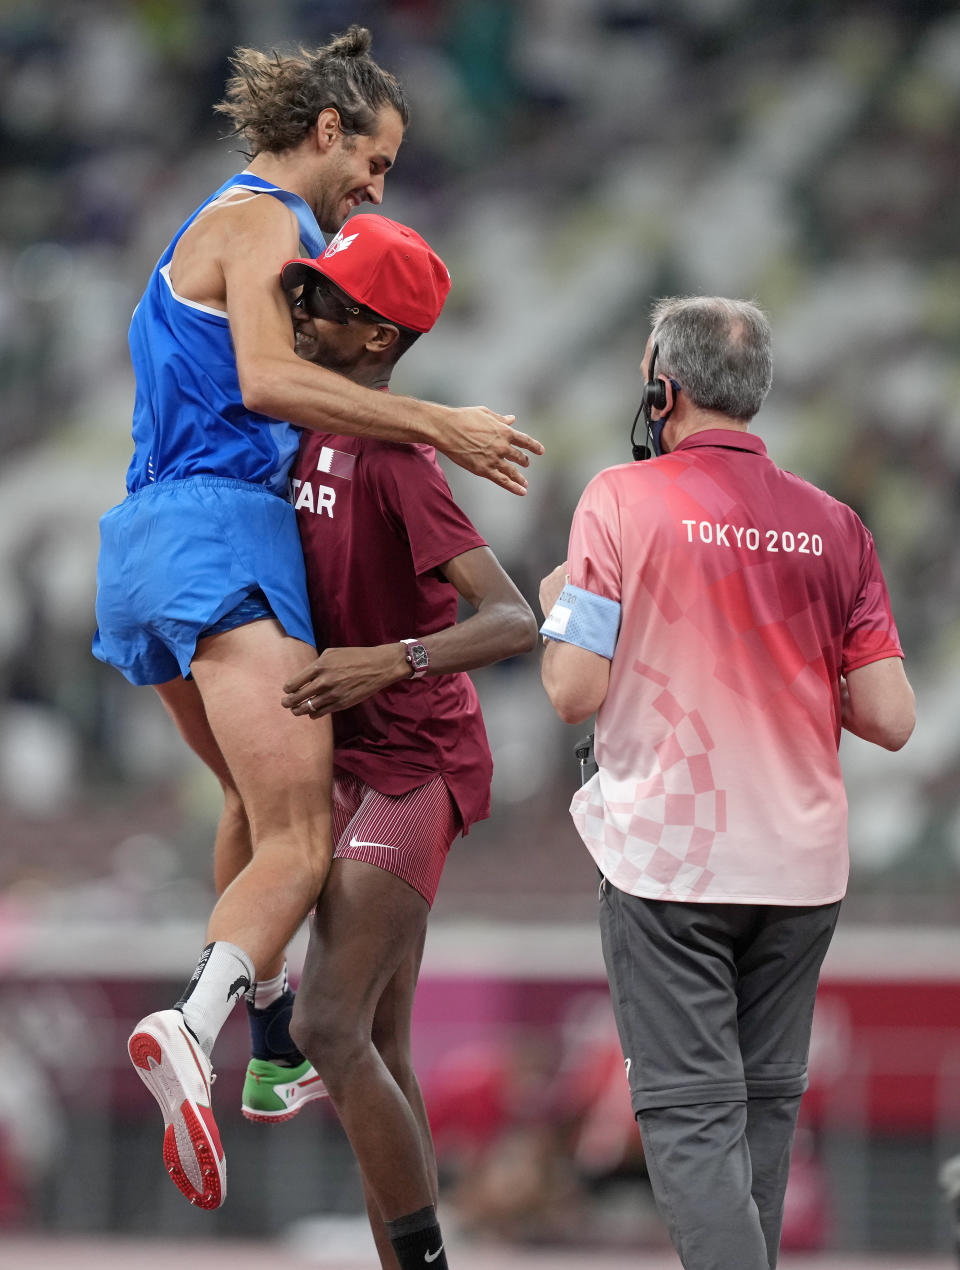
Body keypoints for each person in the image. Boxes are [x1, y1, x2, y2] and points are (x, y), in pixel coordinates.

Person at [92, 26, 541, 1212]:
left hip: (141, 543)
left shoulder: (217, 224)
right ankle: (195, 1028)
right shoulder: (271, 226)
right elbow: (267, 381)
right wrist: (440, 422)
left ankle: (275, 1035)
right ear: (330, 130)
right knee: (298, 835)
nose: (376, 191)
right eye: (378, 163)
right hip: (221, 530)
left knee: (253, 802)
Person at [538, 296, 915, 1270]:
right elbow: (891, 716)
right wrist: (783, 655)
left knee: (692, 1124)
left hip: (671, 858)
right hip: (801, 865)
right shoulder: (837, 525)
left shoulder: (620, 499)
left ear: (665, 389)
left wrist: (562, 608)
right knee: (761, 1115)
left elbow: (573, 690)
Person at [270, 213, 537, 1270]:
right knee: (375, 1041)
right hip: (355, 753)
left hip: (417, 761)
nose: (302, 308)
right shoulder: (297, 418)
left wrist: (389, 660)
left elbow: (514, 617)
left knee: (327, 1028)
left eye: (323, 300)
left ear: (376, 337)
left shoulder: (395, 457)